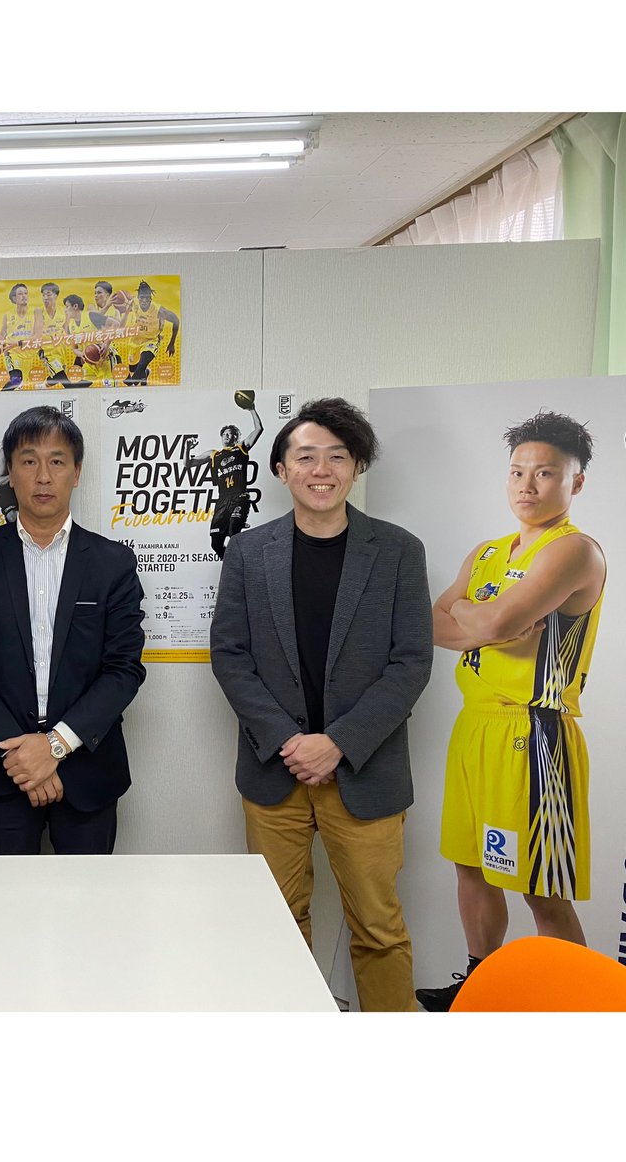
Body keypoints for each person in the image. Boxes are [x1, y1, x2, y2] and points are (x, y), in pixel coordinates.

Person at [210, 397, 433, 1012]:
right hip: (274, 771)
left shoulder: (398, 550)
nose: (321, 470)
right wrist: (289, 741)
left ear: (357, 466)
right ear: (281, 469)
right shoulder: (248, 552)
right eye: (306, 456)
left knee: (379, 929)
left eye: (337, 456)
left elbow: (411, 662)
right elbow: (229, 655)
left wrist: (337, 743)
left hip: (365, 771)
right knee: (277, 925)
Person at [415, 410, 605, 1012]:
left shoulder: (573, 551)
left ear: (575, 482)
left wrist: (478, 618)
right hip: (475, 725)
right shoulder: (489, 552)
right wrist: (483, 622)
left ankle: (575, 1012)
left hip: (535, 731)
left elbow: (492, 621)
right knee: (470, 865)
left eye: (545, 473)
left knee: (540, 886)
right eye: (518, 471)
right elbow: (431, 623)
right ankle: (480, 988)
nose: (527, 485)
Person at [0, 406, 146, 854]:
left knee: (88, 895)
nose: (43, 476)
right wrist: (21, 756)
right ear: (10, 473)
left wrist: (55, 746)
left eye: (57, 461)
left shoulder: (112, 563)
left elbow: (123, 669)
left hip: (87, 767)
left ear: (77, 472)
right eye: (29, 461)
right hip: (4, 770)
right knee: (7, 896)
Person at [189, 393, 264, 557]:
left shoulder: (241, 448)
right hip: (222, 500)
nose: (227, 436)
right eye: (225, 434)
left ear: (236, 437)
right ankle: (233, 564)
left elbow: (258, 429)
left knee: (233, 534)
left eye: (230, 434)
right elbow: (189, 463)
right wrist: (187, 449)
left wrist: (252, 409)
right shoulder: (214, 454)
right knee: (215, 544)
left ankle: (239, 528)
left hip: (239, 497)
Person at [120, 280, 179, 386]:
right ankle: (145, 373)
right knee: (133, 369)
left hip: (151, 340)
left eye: (147, 297)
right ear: (138, 297)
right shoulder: (133, 302)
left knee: (142, 365)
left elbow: (176, 320)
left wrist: (172, 343)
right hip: (135, 339)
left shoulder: (159, 310)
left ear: (150, 298)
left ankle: (132, 386)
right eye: (142, 297)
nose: (144, 300)